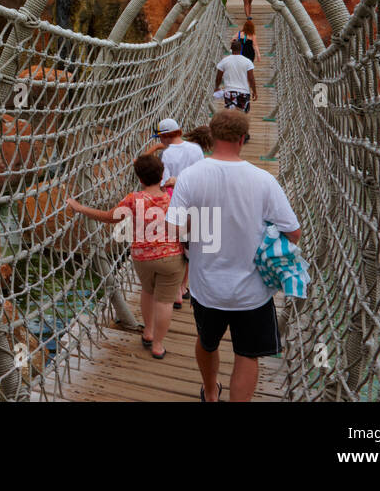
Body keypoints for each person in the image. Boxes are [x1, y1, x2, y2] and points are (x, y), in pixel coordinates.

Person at [166, 110, 302, 402]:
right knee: (247, 355)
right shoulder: (264, 180)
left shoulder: (190, 176)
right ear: (243, 139)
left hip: (206, 287)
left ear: (212, 137)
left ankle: (211, 393)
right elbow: (293, 232)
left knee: (207, 341)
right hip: (252, 291)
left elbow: (174, 227)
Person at [66, 153, 184, 359]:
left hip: (142, 257)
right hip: (171, 256)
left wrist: (80, 208)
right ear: (162, 174)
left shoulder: (134, 199)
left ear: (139, 179)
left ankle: (147, 332)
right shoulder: (174, 195)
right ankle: (157, 346)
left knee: (147, 292)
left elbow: (108, 217)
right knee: (164, 302)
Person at [144, 118, 203, 306]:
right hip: (195, 201)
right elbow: (202, 173)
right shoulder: (196, 149)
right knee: (188, 246)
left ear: (165, 136)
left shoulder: (167, 155)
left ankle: (176, 288)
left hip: (174, 203)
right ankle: (183, 286)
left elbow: (164, 182)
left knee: (175, 245)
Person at [214, 38, 257, 112]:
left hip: (230, 92)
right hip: (244, 92)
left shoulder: (224, 61)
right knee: (241, 117)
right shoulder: (247, 61)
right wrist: (254, 91)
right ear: (241, 49)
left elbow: (218, 77)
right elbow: (251, 78)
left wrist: (217, 87)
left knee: (231, 116)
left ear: (231, 49)